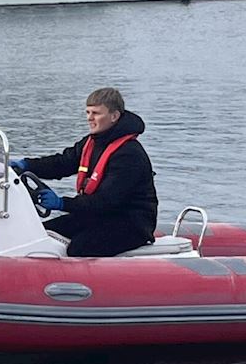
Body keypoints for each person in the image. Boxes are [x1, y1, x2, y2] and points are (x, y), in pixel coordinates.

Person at [11, 87, 158, 257]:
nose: (89, 118)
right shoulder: (92, 142)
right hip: (100, 215)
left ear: (114, 116)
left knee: (80, 248)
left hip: (131, 222)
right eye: (88, 112)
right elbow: (62, 163)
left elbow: (106, 201)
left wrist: (62, 203)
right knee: (42, 232)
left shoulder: (129, 154)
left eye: (96, 113)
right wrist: (26, 165)